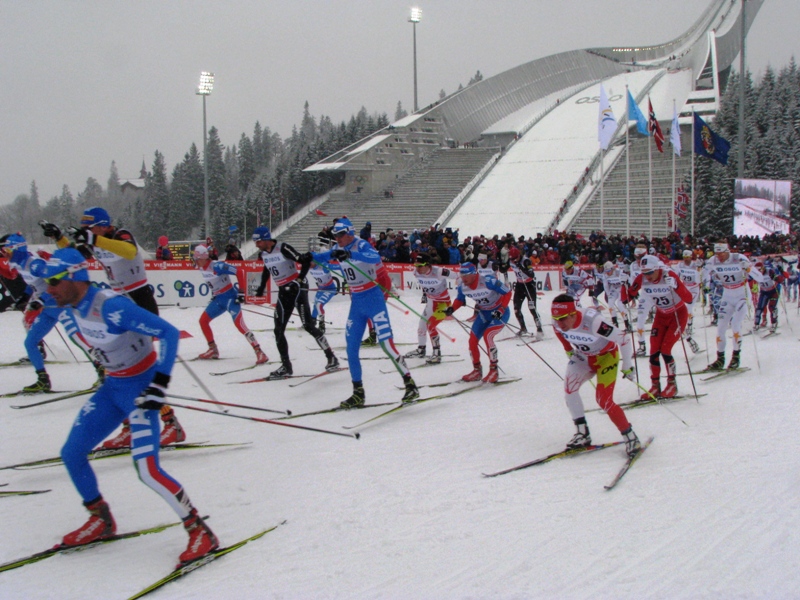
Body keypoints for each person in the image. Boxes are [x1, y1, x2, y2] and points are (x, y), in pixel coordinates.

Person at [44, 247, 218, 565]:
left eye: (53, 281)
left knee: (147, 470)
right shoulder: (69, 303)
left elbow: (166, 332)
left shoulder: (112, 307)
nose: (48, 289)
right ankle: (101, 519)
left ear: (74, 277)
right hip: (112, 388)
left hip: (139, 390)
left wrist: (159, 385)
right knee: (71, 453)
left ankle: (199, 531)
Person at [41, 207, 186, 449]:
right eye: (86, 229)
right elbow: (72, 259)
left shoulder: (121, 235)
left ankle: (171, 423)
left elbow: (129, 252)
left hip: (139, 302)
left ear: (104, 225)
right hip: (117, 304)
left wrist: (94, 239)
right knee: (117, 369)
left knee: (139, 372)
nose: (88, 231)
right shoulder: (95, 239)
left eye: (91, 227)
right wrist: (58, 237)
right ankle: (130, 426)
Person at [309, 217, 419, 407]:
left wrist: (351, 255)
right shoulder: (339, 248)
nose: (338, 238)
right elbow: (321, 257)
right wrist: (306, 257)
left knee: (386, 344)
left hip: (374, 298)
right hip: (357, 303)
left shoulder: (361, 245)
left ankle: (410, 384)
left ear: (350, 233)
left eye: (341, 235)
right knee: (351, 349)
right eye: (335, 235)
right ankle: (358, 393)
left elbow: (375, 258)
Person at [0, 234, 98, 392]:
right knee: (30, 342)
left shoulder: (34, 264)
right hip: (47, 309)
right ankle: (42, 380)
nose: (4, 254)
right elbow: (32, 284)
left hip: (60, 305)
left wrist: (41, 300)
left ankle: (103, 371)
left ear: (16, 249)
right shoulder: (19, 264)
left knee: (78, 338)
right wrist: (25, 296)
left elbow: (53, 281)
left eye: (6, 250)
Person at [550, 293, 641, 457]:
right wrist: (568, 349)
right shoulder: (557, 322)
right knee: (570, 389)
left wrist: (627, 365)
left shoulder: (594, 322)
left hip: (606, 357)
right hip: (584, 357)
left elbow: (624, 338)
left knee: (603, 400)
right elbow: (558, 332)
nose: (559, 323)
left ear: (573, 314)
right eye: (556, 319)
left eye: (563, 319)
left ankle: (630, 436)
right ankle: (582, 433)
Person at [252, 226, 338, 378]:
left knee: (309, 326)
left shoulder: (283, 248)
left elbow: (304, 261)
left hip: (297, 289)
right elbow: (267, 270)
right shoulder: (263, 253)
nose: (256, 244)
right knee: (278, 330)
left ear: (266, 239)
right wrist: (261, 288)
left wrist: (298, 280)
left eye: (258, 241)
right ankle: (286, 367)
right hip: (283, 292)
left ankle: (331, 357)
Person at [625, 255, 693, 399]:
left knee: (666, 349)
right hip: (661, 316)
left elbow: (689, 298)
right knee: (654, 350)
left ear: (657, 269)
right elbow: (628, 295)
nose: (647, 276)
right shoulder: (642, 278)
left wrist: (676, 285)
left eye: (650, 272)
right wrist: (625, 291)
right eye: (644, 273)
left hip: (677, 315)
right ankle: (655, 386)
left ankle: (672, 384)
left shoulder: (669, 275)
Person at [192, 245, 268, 364]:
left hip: (229, 299)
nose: (195, 261)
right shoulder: (200, 267)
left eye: (197, 258)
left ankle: (259, 351)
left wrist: (241, 292)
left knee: (239, 325)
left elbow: (240, 271)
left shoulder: (217, 266)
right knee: (203, 321)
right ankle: (213, 349)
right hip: (218, 300)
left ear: (203, 258)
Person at [443, 262, 511, 383]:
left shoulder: (488, 281)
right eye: (461, 274)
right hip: (484, 313)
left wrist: (501, 309)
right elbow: (460, 299)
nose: (463, 278)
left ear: (474, 273)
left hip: (499, 312)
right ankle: (477, 370)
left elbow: (507, 292)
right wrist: (452, 308)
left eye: (466, 275)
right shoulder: (462, 286)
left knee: (488, 336)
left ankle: (494, 370)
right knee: (472, 341)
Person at [702, 241, 751, 370]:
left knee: (735, 324)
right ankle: (720, 359)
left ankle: (736, 357)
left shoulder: (739, 258)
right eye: (717, 253)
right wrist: (706, 284)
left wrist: (748, 268)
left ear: (727, 251)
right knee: (720, 328)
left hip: (742, 294)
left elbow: (759, 276)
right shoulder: (713, 260)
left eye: (721, 253)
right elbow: (705, 272)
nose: (719, 256)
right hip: (727, 295)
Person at [405, 259, 454, 364]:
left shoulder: (439, 271)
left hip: (443, 303)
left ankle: (437, 354)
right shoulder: (416, 272)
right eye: (416, 265)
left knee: (431, 325)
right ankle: (421, 349)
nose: (417, 268)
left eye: (420, 265)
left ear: (427, 265)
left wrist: (461, 296)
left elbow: (457, 276)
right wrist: (424, 295)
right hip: (431, 302)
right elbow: (424, 284)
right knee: (422, 324)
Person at [509, 249, 544, 339]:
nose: (514, 260)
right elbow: (503, 268)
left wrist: (521, 267)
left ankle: (539, 329)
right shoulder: (511, 260)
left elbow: (531, 274)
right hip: (520, 285)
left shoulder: (526, 261)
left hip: (529, 285)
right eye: (512, 259)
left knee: (532, 308)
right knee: (516, 308)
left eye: (515, 258)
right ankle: (523, 328)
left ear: (519, 255)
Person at [675, 249, 702, 352]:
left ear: (691, 257)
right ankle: (686, 326)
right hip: (685, 288)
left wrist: (700, 267)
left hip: (694, 288)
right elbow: (676, 276)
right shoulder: (680, 265)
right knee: (681, 307)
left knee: (689, 307)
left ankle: (689, 326)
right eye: (684, 257)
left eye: (688, 257)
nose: (686, 259)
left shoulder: (695, 264)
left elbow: (700, 277)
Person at [749, 260, 783, 332]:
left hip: (774, 290)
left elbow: (778, 277)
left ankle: (774, 323)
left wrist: (778, 278)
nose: (759, 272)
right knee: (759, 308)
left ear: (763, 268)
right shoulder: (755, 273)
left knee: (771, 307)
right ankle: (756, 324)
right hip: (764, 291)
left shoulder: (769, 271)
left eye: (760, 270)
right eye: (757, 270)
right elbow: (749, 279)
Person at [597, 261, 630, 332]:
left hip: (621, 289)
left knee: (620, 304)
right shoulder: (605, 275)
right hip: (613, 289)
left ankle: (627, 324)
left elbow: (627, 279)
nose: (607, 273)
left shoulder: (618, 272)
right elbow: (605, 286)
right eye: (606, 271)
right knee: (610, 304)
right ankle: (615, 324)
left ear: (612, 269)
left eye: (609, 271)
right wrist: (608, 294)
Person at [308, 260, 339, 333]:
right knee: (315, 306)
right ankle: (312, 322)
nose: (309, 264)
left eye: (311, 262)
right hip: (321, 289)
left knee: (319, 304)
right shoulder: (308, 267)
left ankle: (322, 325)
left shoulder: (323, 266)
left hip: (330, 289)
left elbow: (338, 266)